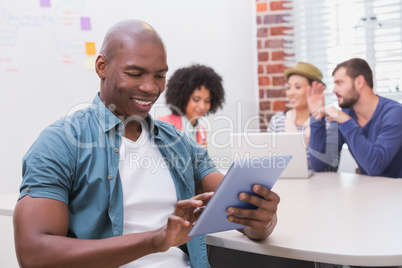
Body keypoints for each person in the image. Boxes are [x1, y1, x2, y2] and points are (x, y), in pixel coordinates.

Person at [13, 19, 279, 268]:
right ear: (101, 67)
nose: (151, 88)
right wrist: (154, 240)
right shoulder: (61, 142)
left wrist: (261, 221)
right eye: (135, 73)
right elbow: (34, 252)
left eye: (159, 76)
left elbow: (241, 214)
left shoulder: (176, 143)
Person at [307, 58, 402, 178]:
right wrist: (316, 118)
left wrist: (346, 122)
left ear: (359, 82)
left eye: (339, 83)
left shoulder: (394, 113)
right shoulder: (346, 114)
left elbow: (375, 167)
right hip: (370, 191)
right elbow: (320, 166)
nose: (334, 90)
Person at [268, 62, 339, 170]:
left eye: (297, 87)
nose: (290, 93)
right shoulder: (278, 121)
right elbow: (269, 160)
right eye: (289, 87)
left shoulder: (330, 122)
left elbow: (329, 168)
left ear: (314, 89)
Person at [157, 64, 225, 148]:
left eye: (207, 101)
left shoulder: (201, 131)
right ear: (183, 97)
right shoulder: (163, 125)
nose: (202, 106)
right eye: (196, 99)